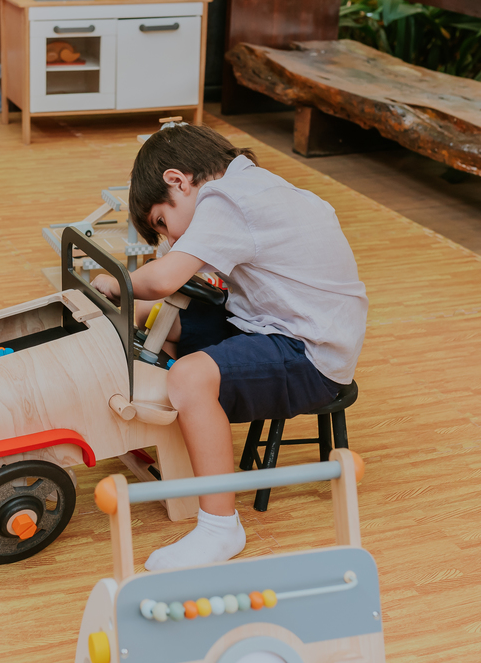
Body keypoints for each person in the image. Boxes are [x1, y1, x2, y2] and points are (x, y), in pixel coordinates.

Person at [90, 123, 368, 572]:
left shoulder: (228, 199)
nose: (171, 239)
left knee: (189, 375)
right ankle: (156, 364)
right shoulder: (253, 185)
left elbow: (162, 279)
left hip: (310, 354)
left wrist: (115, 285)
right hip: (286, 326)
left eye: (163, 222)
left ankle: (220, 527)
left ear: (178, 181)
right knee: (186, 315)